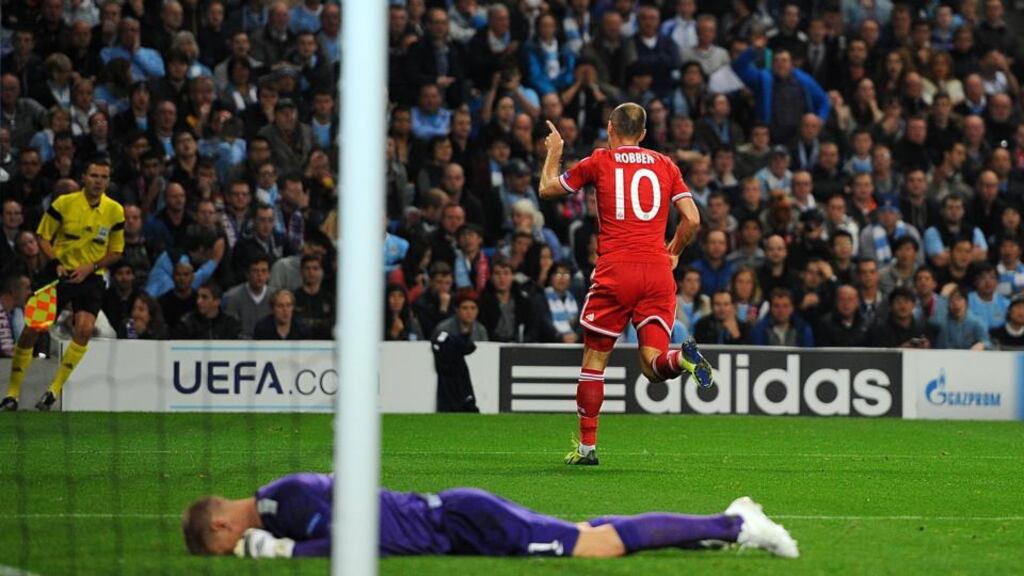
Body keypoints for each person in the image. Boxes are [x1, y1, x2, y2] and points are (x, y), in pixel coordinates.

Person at [538, 102, 712, 466]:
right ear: (644, 134)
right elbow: (692, 219)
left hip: (616, 270)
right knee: (652, 366)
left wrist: (555, 153)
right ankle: (682, 358)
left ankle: (587, 449)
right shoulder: (666, 164)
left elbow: (548, 190)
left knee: (594, 360)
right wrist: (674, 251)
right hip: (657, 272)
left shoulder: (599, 160)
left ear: (610, 128)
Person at [182, 472, 798, 559]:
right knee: (587, 533)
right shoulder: (275, 500)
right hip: (458, 517)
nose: (239, 548)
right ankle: (714, 532)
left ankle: (735, 525)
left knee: (597, 547)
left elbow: (349, 542)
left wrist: (289, 552)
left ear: (221, 525)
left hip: (463, 523)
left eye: (227, 547)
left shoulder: (283, 504)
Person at [2, 157, 124, 412]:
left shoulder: (115, 211)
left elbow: (116, 251)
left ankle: (54, 389)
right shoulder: (64, 204)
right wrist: (57, 261)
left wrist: (90, 267)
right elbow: (43, 237)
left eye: (103, 177)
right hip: (58, 273)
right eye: (94, 176)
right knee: (32, 330)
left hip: (90, 275)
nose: (98, 181)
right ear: (84, 177)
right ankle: (12, 392)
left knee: (85, 329)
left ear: (108, 181)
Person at [175, 283, 242, 340]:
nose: (199, 301)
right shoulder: (187, 322)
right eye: (198, 297)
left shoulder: (230, 323)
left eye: (204, 297)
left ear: (216, 302)